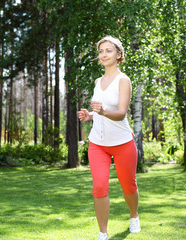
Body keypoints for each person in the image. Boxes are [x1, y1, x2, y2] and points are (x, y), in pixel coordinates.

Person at [78, 35, 141, 240]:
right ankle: (103, 233)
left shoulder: (124, 80)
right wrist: (90, 115)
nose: (104, 54)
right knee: (99, 186)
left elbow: (121, 113)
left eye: (109, 51)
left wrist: (102, 111)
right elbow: (100, 110)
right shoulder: (98, 81)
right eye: (101, 51)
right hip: (98, 143)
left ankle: (134, 216)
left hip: (122, 142)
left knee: (128, 184)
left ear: (119, 55)